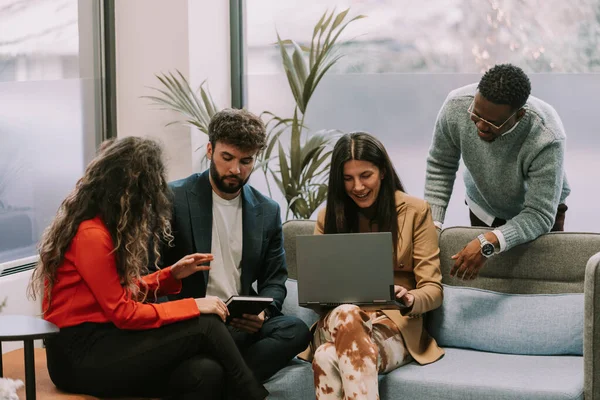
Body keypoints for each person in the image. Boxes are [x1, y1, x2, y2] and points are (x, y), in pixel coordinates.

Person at [29, 137, 268, 400]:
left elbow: (122, 292)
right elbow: (123, 312)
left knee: (205, 372)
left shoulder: (104, 229)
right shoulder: (91, 235)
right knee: (207, 324)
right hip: (79, 354)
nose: (149, 204)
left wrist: (170, 275)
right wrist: (195, 305)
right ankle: (253, 395)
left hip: (108, 340)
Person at [163, 108, 311, 382]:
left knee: (296, 330)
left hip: (239, 321)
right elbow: (154, 270)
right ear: (210, 150)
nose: (235, 169)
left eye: (246, 161)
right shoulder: (174, 198)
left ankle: (226, 382)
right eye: (227, 158)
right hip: (192, 318)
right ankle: (234, 378)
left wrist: (263, 314)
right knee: (205, 354)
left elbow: (275, 279)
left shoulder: (266, 210)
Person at [302, 132, 444, 400]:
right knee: (347, 313)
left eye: (365, 175)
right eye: (347, 178)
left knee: (326, 356)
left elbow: (433, 290)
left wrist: (411, 297)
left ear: (382, 172)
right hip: (337, 321)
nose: (357, 186)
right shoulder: (327, 217)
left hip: (391, 328)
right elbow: (316, 291)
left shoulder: (415, 211)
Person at [424, 63, 570, 281]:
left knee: (537, 282)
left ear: (519, 115)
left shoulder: (547, 135)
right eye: (476, 115)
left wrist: (487, 242)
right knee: (488, 281)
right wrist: (432, 226)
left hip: (539, 213)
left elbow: (539, 214)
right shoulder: (456, 106)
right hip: (483, 204)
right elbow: (440, 165)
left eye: (492, 123)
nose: (481, 127)